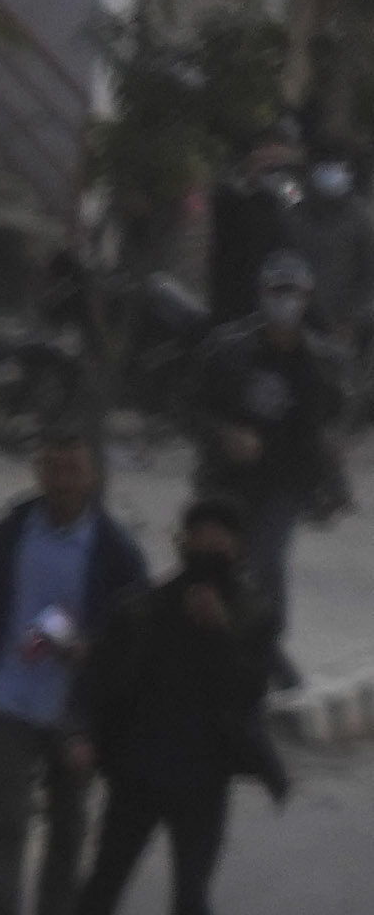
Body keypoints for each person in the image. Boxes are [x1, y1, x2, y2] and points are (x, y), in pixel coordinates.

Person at [49, 499, 294, 915]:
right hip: (137, 770)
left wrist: (221, 632)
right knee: (104, 883)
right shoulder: (142, 609)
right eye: (199, 538)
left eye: (220, 541)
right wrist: (80, 735)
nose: (209, 551)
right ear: (180, 542)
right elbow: (97, 681)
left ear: (234, 550)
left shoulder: (254, 616)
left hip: (203, 781)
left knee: (191, 896)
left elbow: (250, 693)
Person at [0, 431, 147, 915]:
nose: (61, 482)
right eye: (52, 469)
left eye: (73, 470)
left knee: (67, 822)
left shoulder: (115, 551)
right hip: (9, 693)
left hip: (75, 707)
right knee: (6, 816)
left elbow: (135, 631)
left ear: (92, 476)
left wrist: (93, 654)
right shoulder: (12, 530)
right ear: (38, 472)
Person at [175, 259, 341, 654]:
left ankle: (265, 649)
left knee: (267, 562)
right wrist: (223, 435)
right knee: (213, 563)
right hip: (225, 480)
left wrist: (331, 482)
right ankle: (205, 643)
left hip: (283, 484)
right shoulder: (228, 350)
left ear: (306, 299)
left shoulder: (318, 361)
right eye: (277, 292)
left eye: (293, 293)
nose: (285, 302)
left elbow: (325, 428)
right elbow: (185, 407)